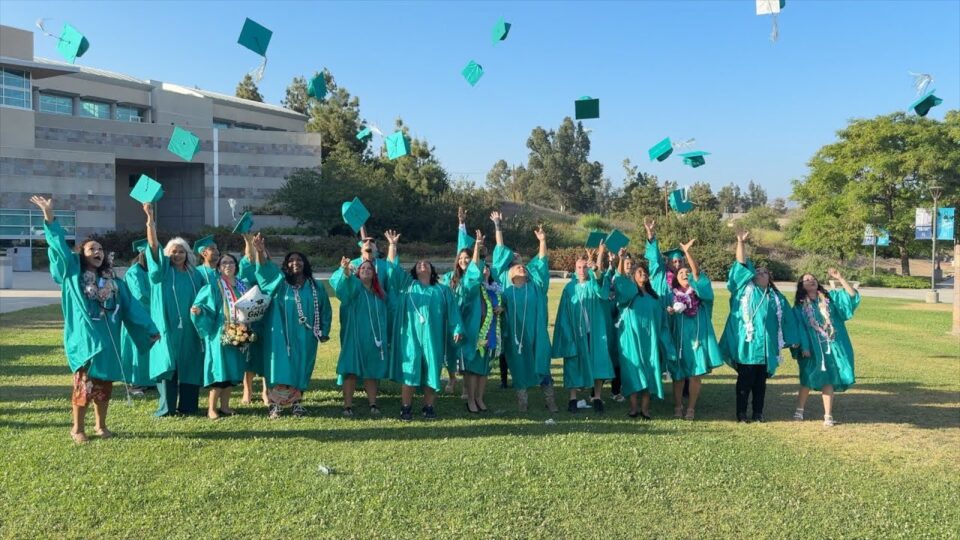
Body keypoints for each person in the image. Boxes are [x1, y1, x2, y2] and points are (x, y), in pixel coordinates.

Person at [30, 195, 158, 443]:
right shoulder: (72, 275)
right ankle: (77, 428)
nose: (97, 252)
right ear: (82, 254)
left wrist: (149, 328)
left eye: (100, 249)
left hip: (108, 340)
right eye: (92, 249)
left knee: (104, 384)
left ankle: (101, 425)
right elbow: (59, 248)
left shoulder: (113, 282)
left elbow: (131, 307)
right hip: (86, 339)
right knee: (84, 385)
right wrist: (49, 217)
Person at [384, 230, 464, 421]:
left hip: (433, 337)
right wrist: (393, 246)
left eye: (426, 263)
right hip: (410, 336)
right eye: (419, 263)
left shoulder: (442, 291)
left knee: (432, 370)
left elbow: (453, 311)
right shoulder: (407, 286)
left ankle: (428, 406)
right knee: (410, 369)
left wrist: (457, 328)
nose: (422, 264)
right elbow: (392, 270)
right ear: (414, 270)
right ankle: (406, 407)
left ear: (432, 270)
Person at [719, 231, 799, 423]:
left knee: (760, 384)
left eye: (764, 272)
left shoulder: (777, 298)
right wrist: (740, 243)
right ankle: (741, 413)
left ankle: (758, 413)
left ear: (769, 278)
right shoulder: (743, 291)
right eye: (757, 271)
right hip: (747, 346)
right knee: (744, 382)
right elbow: (741, 265)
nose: (759, 273)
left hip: (766, 347)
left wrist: (794, 340)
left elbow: (788, 320)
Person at [251, 236, 332, 418]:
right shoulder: (280, 284)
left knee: (301, 366)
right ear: (286, 265)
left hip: (306, 334)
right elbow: (264, 271)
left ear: (305, 263)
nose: (295, 263)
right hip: (280, 334)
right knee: (278, 366)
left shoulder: (316, 286)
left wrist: (323, 331)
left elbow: (325, 309)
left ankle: (297, 403)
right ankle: (275, 405)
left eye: (299, 259)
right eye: (291, 260)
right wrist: (260, 252)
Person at [489, 212, 558, 413]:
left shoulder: (536, 286)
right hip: (515, 335)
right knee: (519, 367)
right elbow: (499, 254)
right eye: (516, 266)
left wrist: (542, 241)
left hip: (536, 334)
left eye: (523, 266)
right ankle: (523, 402)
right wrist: (498, 226)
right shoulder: (504, 286)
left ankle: (550, 400)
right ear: (508, 272)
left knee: (541, 363)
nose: (521, 267)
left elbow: (542, 262)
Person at [143, 202, 204, 417]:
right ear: (167, 254)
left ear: (187, 254)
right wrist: (150, 221)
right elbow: (153, 247)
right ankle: (167, 408)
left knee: (190, 363)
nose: (177, 255)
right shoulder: (162, 273)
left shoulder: (196, 275)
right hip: (167, 324)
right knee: (168, 364)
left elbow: (205, 298)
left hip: (190, 327)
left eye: (181, 251)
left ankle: (188, 406)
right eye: (173, 252)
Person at [610, 248, 676, 419]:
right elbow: (619, 280)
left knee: (649, 370)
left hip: (650, 340)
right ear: (633, 276)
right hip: (631, 339)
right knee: (632, 371)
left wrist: (665, 342)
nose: (644, 274)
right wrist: (621, 259)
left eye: (645, 272)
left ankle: (645, 409)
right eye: (639, 272)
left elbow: (661, 321)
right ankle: (633, 408)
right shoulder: (630, 293)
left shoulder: (654, 297)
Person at [792, 268, 860, 427]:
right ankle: (799, 410)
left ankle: (828, 415)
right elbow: (799, 329)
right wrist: (804, 347)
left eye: (813, 278)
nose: (811, 281)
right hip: (811, 347)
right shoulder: (799, 308)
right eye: (807, 280)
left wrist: (840, 278)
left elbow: (851, 295)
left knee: (829, 378)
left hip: (832, 345)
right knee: (808, 378)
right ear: (802, 286)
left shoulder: (830, 299)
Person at [665, 239, 723, 420]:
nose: (684, 273)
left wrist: (687, 253)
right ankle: (678, 406)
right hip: (679, 341)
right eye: (681, 272)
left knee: (695, 375)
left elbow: (697, 274)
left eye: (687, 272)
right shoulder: (671, 296)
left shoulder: (701, 297)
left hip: (697, 341)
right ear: (675, 278)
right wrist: (670, 312)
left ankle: (691, 408)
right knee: (678, 376)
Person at [552, 244, 613, 414]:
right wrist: (567, 333)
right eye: (579, 267)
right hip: (575, 333)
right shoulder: (569, 288)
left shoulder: (594, 284)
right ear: (574, 269)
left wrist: (598, 260)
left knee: (598, 362)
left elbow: (602, 288)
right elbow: (563, 313)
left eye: (584, 267)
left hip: (595, 332)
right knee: (573, 363)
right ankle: (573, 399)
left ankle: (597, 397)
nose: (581, 270)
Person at [190, 253, 251, 420]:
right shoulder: (214, 287)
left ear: (236, 266)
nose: (228, 265)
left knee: (232, 372)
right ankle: (211, 408)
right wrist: (199, 311)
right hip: (220, 334)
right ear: (218, 267)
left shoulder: (243, 286)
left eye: (231, 262)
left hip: (239, 333)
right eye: (224, 263)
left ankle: (225, 406)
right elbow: (203, 306)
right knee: (219, 371)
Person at [330, 256, 389, 417]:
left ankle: (373, 403)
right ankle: (347, 406)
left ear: (374, 274)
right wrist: (346, 271)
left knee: (371, 371)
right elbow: (344, 287)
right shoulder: (355, 287)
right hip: (354, 337)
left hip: (373, 339)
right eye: (362, 268)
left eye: (369, 268)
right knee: (350, 370)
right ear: (358, 272)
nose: (366, 270)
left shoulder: (379, 294)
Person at [440, 223, 486, 413]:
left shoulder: (473, 277)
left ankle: (468, 390)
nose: (464, 260)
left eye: (467, 258)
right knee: (452, 352)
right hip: (453, 319)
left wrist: (477, 248)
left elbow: (474, 273)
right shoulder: (450, 277)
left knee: (468, 354)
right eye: (461, 258)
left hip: (470, 319)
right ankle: (452, 379)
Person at [119, 247, 155, 393]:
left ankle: (149, 380)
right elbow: (139, 296)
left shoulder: (150, 271)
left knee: (150, 349)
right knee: (137, 349)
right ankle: (135, 383)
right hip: (137, 316)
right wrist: (158, 304)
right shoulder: (134, 272)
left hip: (150, 315)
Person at [475, 262, 504, 412]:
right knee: (474, 367)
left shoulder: (495, 288)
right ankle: (470, 395)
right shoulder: (475, 286)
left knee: (485, 367)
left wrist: (501, 308)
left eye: (487, 267)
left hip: (492, 331)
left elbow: (502, 304)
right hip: (477, 330)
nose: (485, 269)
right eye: (482, 267)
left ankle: (479, 397)